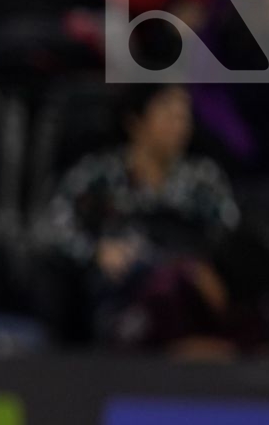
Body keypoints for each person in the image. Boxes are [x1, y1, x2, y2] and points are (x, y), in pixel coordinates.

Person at [35, 82, 241, 344]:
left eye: (184, 116)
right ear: (135, 121)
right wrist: (95, 251)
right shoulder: (99, 175)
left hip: (184, 297)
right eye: (168, 114)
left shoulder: (203, 180)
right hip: (116, 294)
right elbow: (50, 226)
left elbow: (230, 237)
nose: (179, 125)